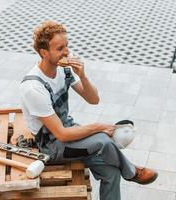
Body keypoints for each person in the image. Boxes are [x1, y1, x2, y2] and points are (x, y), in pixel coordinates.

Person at [20, 20, 158, 200]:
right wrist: (98, 127)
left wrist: (82, 75)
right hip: (52, 146)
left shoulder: (64, 70)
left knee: (111, 173)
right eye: (60, 48)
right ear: (44, 53)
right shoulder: (34, 87)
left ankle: (126, 171)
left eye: (67, 46)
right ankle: (132, 172)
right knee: (104, 141)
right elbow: (61, 134)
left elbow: (94, 99)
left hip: (70, 133)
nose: (67, 52)